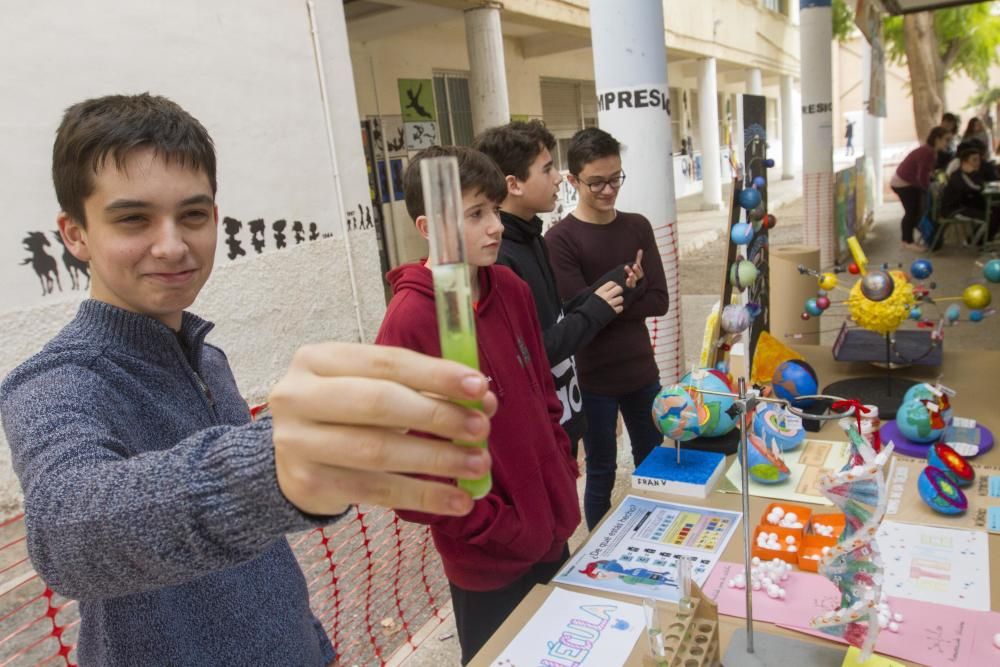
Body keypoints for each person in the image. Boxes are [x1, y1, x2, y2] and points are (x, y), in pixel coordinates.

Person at [0, 94, 497, 666]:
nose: (172, 245)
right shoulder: (51, 383)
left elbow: (260, 560)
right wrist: (271, 467)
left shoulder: (208, 358)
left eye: (192, 215)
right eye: (133, 218)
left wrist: (315, 646)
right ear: (75, 234)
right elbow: (67, 531)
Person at [375, 145, 580, 665]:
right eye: (474, 215)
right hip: (488, 564)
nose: (495, 227)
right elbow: (409, 477)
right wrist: (499, 528)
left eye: (493, 209)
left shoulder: (509, 288)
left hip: (552, 532)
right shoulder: (409, 322)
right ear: (428, 226)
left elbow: (541, 393)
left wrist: (559, 469)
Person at [473, 120, 636, 454]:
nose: (559, 177)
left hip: (565, 414)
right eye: (547, 169)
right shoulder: (501, 258)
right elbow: (532, 351)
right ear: (513, 184)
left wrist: (601, 290)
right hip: (541, 428)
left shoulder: (532, 237)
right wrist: (594, 311)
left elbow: (553, 316)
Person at [545, 128, 670, 530]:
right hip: (592, 378)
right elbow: (576, 310)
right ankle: (597, 558)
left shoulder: (637, 226)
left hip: (641, 371)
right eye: (596, 181)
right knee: (600, 472)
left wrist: (607, 298)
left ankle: (658, 538)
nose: (608, 189)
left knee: (656, 464)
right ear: (572, 180)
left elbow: (660, 301)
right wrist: (626, 282)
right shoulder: (560, 239)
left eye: (615, 178)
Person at [890, 126, 950, 251]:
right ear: (937, 139)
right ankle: (907, 241)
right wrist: (927, 188)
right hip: (904, 183)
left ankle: (909, 240)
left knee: (914, 212)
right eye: (946, 139)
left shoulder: (929, 151)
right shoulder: (928, 152)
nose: (947, 143)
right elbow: (922, 174)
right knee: (911, 212)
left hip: (906, 182)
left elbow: (925, 173)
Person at [942, 146, 1000, 241]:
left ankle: (980, 239)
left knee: (997, 210)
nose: (978, 163)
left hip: (966, 205)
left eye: (979, 160)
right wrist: (973, 173)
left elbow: (980, 186)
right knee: (991, 217)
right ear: (964, 162)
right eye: (974, 160)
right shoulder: (958, 176)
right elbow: (977, 187)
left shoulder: (970, 174)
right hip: (954, 209)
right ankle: (979, 242)